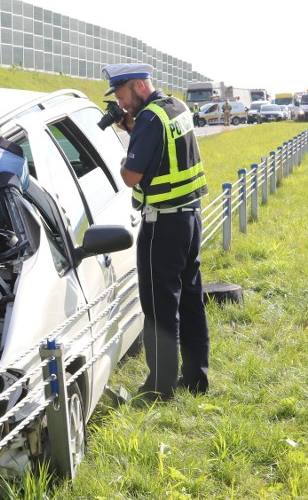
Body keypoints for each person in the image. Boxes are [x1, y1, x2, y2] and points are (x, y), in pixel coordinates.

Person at [103, 63, 209, 402]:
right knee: (191, 300)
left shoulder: (148, 120)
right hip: (190, 219)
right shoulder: (175, 108)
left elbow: (131, 176)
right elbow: (164, 150)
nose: (121, 104)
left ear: (137, 86)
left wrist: (127, 152)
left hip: (161, 224)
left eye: (122, 96)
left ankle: (160, 388)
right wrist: (133, 127)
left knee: (160, 308)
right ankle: (196, 379)